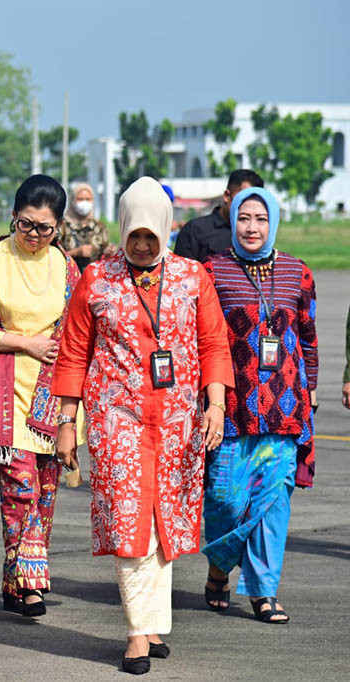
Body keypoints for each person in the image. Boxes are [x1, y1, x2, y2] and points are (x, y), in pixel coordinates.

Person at [52, 177, 234, 675]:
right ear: (126, 226)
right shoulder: (98, 280)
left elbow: (214, 344)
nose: (141, 244)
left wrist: (214, 406)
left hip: (177, 422)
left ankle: (151, 621)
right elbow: (72, 353)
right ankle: (137, 632)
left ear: (165, 230)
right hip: (117, 419)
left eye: (151, 237)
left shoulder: (192, 277)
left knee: (162, 520)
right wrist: (67, 423)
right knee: (130, 516)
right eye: (135, 235)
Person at [0, 175, 82, 618]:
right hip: (5, 392)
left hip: (53, 394)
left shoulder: (67, 268)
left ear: (59, 228)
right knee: (20, 489)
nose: (33, 235)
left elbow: (79, 328)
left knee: (45, 493)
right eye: (26, 225)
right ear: (13, 217)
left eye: (44, 229)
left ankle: (17, 579)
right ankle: (30, 584)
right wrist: (21, 342)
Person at [201, 187, 318, 624]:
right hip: (229, 409)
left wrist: (311, 401)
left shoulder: (297, 272)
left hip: (285, 411)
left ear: (273, 223)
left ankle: (264, 592)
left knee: (273, 503)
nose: (252, 227)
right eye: (244, 218)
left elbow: (307, 340)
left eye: (261, 219)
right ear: (232, 220)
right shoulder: (211, 271)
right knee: (226, 501)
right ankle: (218, 571)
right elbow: (202, 340)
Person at [174, 169, 263, 262]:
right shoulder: (195, 231)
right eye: (242, 199)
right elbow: (182, 272)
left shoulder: (256, 233)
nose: (247, 206)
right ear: (226, 196)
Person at [59, 182, 117, 271]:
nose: (84, 202)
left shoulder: (100, 227)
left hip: (93, 278)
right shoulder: (62, 226)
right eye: (80, 199)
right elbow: (54, 255)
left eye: (87, 199)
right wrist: (75, 252)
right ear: (72, 200)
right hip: (68, 277)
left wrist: (109, 252)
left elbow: (104, 251)